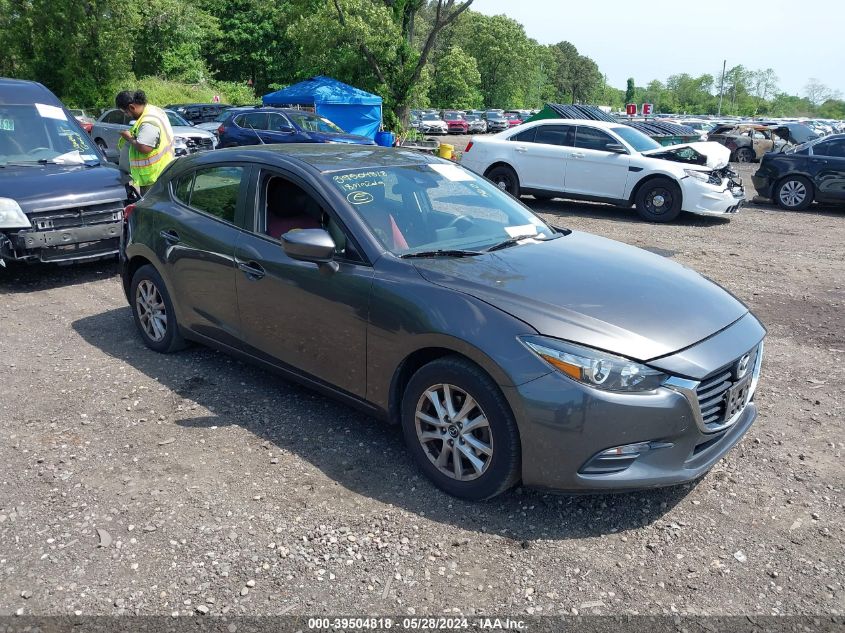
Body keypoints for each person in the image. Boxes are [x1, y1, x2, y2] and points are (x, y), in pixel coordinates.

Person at [115, 90, 175, 195]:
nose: (127, 115)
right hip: (162, 170)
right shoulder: (153, 110)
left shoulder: (147, 122)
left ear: (132, 107)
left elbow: (145, 148)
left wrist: (128, 137)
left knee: (152, 208)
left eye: (126, 112)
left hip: (154, 177)